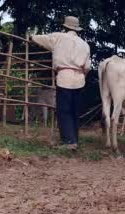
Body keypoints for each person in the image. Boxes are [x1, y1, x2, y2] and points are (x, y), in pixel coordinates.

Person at [30, 16, 91, 150]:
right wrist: (81, 75)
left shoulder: (58, 37)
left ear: (65, 27)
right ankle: (74, 139)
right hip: (80, 78)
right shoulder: (85, 45)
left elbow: (42, 39)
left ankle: (69, 142)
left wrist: (31, 37)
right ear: (77, 29)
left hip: (64, 77)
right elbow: (87, 67)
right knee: (75, 111)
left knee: (64, 110)